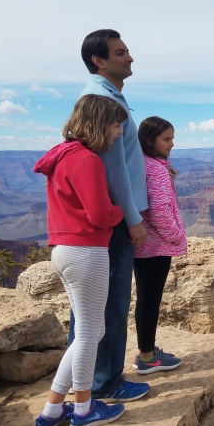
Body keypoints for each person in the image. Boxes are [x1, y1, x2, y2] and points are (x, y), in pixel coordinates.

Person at [32, 95, 128, 426]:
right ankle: (84, 410)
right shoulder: (87, 160)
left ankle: (52, 409)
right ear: (101, 123)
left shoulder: (63, 155)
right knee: (90, 332)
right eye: (116, 124)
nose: (118, 132)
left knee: (89, 330)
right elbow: (100, 214)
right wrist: (121, 212)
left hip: (65, 250)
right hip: (86, 251)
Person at [68, 29, 150, 403]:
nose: (130, 57)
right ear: (99, 61)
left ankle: (84, 379)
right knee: (110, 304)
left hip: (113, 216)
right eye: (121, 52)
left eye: (128, 51)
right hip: (116, 219)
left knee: (92, 307)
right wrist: (133, 219)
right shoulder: (101, 99)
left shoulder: (109, 96)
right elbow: (114, 168)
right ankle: (104, 382)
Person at [132, 117, 187, 374]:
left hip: (142, 244)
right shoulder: (155, 168)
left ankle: (145, 351)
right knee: (151, 300)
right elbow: (160, 212)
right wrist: (175, 236)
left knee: (145, 298)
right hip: (157, 245)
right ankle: (147, 356)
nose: (172, 144)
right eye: (166, 139)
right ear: (149, 140)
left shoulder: (141, 163)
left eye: (172, 138)